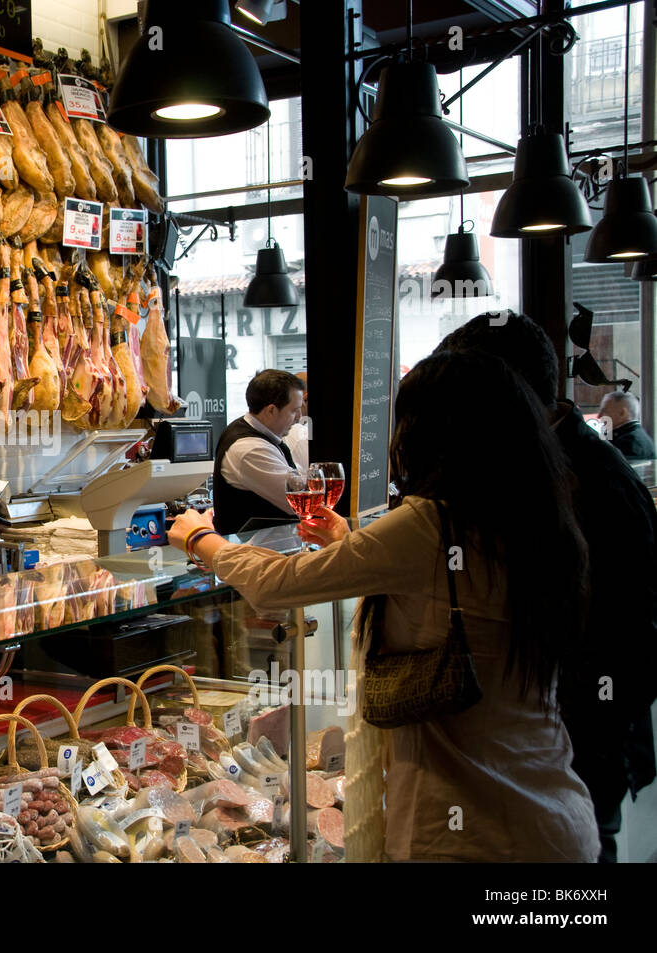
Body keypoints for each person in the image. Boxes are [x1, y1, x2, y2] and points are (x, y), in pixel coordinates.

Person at [171, 350, 599, 862]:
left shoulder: (432, 522)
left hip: (473, 833)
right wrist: (350, 543)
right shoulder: (536, 517)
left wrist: (202, 540)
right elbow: (438, 594)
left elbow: (278, 582)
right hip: (553, 812)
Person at [436, 313, 657, 862]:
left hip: (584, 729)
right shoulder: (543, 461)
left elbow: (619, 629)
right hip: (557, 729)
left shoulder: (587, 478)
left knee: (581, 850)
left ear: (503, 392)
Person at [212, 369, 305, 535]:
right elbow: (299, 501)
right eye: (294, 410)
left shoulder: (261, 436)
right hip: (253, 555)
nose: (299, 417)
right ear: (271, 410)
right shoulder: (250, 449)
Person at [599, 390, 656, 461]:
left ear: (623, 413)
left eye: (604, 411)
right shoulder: (628, 437)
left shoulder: (630, 444)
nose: (599, 416)